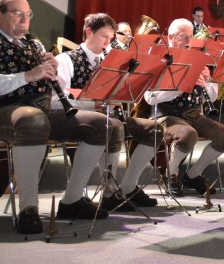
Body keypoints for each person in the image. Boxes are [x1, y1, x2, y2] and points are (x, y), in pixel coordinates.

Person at [0, 0, 112, 234]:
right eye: (17, 13)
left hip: (39, 111)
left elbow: (49, 88)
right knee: (31, 118)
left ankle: (72, 200)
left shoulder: (34, 44)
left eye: (28, 15)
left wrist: (51, 70)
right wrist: (27, 76)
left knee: (100, 125)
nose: (24, 20)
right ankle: (28, 207)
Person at [54, 13, 163, 211]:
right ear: (89, 32)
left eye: (111, 38)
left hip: (110, 117)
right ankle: (105, 193)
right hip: (78, 119)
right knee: (112, 126)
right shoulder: (66, 59)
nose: (108, 43)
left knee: (154, 129)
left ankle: (126, 188)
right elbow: (57, 100)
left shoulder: (112, 61)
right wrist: (93, 105)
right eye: (104, 36)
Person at [143, 18, 224, 197]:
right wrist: (181, 86)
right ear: (170, 37)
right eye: (183, 37)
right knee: (188, 134)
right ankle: (171, 174)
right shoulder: (159, 59)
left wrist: (206, 82)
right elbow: (149, 98)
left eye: (190, 36)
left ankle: (193, 175)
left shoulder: (198, 59)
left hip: (193, 114)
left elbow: (212, 97)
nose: (188, 41)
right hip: (166, 115)